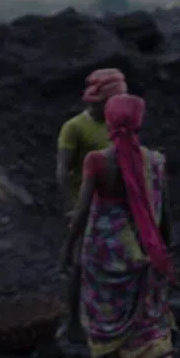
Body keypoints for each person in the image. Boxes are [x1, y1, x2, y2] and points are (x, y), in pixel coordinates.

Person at [61, 93, 180, 358]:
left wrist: (68, 247)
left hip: (104, 252)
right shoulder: (155, 161)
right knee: (147, 318)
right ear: (139, 121)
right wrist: (163, 250)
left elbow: (82, 211)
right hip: (144, 248)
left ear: (110, 122)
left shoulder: (98, 161)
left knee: (103, 309)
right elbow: (164, 213)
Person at [55, 68, 127, 343]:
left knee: (115, 265)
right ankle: (72, 321)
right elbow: (62, 170)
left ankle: (111, 321)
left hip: (113, 207)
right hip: (85, 206)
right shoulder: (74, 127)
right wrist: (70, 206)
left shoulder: (118, 125)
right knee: (78, 266)